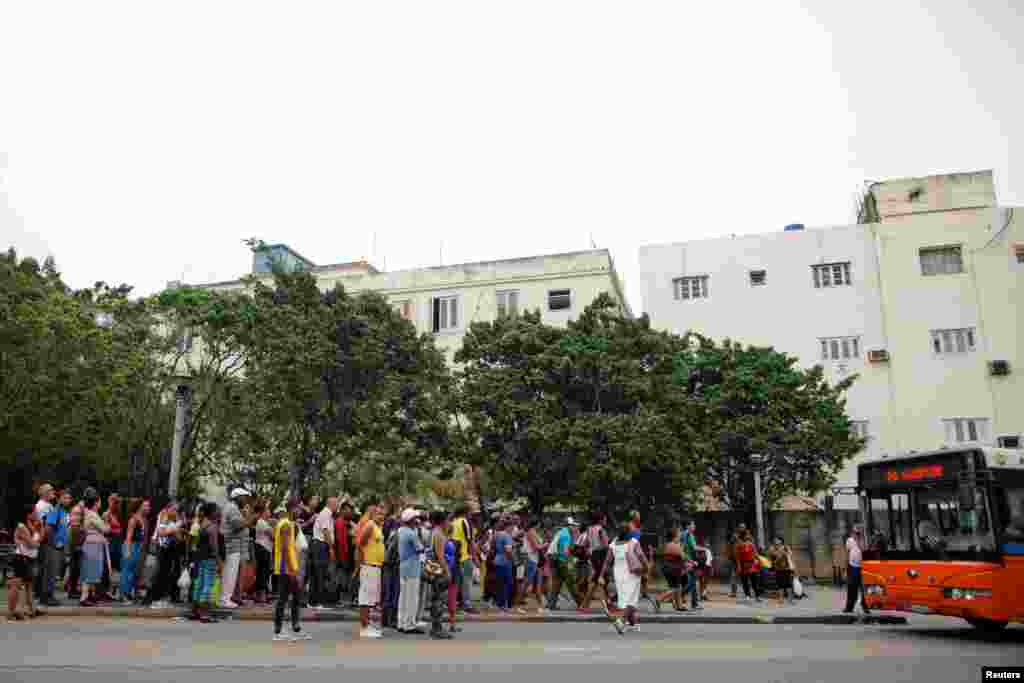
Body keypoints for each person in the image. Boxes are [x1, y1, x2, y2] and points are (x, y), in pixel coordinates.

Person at [602, 516, 649, 634]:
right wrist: (647, 568)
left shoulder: (613, 544)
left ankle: (632, 624)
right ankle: (621, 620)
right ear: (629, 532)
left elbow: (607, 561)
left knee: (625, 599)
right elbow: (642, 557)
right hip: (632, 573)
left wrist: (601, 575)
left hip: (618, 574)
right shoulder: (634, 543)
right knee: (631, 601)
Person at [273, 499, 310, 641]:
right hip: (286, 567)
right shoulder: (286, 525)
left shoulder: (288, 524)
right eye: (298, 509)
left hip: (289, 566)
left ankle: (295, 628)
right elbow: (284, 549)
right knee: (283, 598)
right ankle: (278, 631)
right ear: (292, 509)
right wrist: (292, 569)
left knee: (295, 597)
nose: (300, 511)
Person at [221, 488, 257, 609]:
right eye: (245, 497)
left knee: (230, 573)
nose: (246, 500)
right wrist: (249, 518)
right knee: (230, 573)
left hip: (233, 545)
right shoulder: (232, 508)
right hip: (232, 545)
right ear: (238, 497)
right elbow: (238, 525)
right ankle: (225, 599)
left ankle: (226, 598)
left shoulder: (233, 507)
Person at [142, 503, 183, 608]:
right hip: (162, 548)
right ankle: (151, 598)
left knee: (165, 574)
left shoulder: (175, 520)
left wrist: (176, 529)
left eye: (176, 511)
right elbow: (161, 532)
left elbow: (179, 537)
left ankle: (158, 598)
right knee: (159, 573)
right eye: (173, 510)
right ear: (168, 509)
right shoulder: (164, 516)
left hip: (170, 549)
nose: (175, 512)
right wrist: (174, 528)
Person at [7, 505, 43, 621]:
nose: (37, 514)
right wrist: (36, 542)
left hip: (30, 558)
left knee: (29, 586)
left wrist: (40, 527)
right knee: (16, 585)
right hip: (21, 558)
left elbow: (39, 539)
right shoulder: (22, 526)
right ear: (29, 514)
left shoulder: (32, 526)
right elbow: (31, 544)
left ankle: (31, 610)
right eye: (35, 512)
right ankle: (11, 612)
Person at [190, 502, 222, 623]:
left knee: (199, 584)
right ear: (212, 512)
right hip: (209, 559)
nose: (219, 512)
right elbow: (214, 547)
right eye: (217, 510)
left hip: (201, 558)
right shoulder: (212, 527)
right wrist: (219, 562)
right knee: (208, 585)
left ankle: (195, 611)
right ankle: (205, 614)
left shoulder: (203, 524)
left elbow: (197, 544)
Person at [357, 504, 386, 639]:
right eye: (379, 514)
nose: (381, 517)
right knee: (365, 598)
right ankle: (364, 627)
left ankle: (367, 625)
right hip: (369, 566)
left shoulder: (377, 527)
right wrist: (362, 563)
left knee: (371, 599)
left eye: (383, 515)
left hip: (376, 566)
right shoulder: (369, 526)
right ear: (373, 514)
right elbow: (360, 543)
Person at [79, 490, 109, 607]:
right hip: (93, 544)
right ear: (96, 502)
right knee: (90, 570)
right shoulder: (92, 514)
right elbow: (105, 529)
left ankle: (89, 595)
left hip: (93, 544)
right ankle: (84, 596)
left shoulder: (89, 513)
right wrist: (107, 524)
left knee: (92, 570)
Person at [397, 508, 425, 633]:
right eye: (415, 518)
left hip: (403, 567)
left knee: (403, 597)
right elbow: (420, 548)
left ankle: (401, 623)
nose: (417, 520)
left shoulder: (401, 531)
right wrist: (418, 530)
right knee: (412, 598)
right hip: (412, 568)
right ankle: (410, 625)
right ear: (411, 520)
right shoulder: (411, 534)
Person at [43, 490, 71, 605]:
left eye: (69, 498)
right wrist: (53, 543)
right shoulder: (56, 511)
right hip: (53, 547)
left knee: (54, 573)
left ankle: (50, 595)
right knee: (50, 571)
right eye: (65, 498)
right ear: (59, 499)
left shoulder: (64, 512)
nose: (68, 500)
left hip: (60, 547)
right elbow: (49, 528)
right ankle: (46, 596)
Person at [309, 496, 338, 609]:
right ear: (330, 504)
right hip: (321, 545)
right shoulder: (326, 514)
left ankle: (313, 601)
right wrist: (331, 548)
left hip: (319, 545)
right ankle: (318, 602)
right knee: (320, 574)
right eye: (336, 504)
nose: (337, 507)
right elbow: (326, 531)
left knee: (317, 574)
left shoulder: (326, 514)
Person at [120, 499, 151, 603]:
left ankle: (131, 593)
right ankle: (124, 595)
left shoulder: (145, 520)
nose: (148, 508)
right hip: (131, 545)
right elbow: (128, 536)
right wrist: (128, 551)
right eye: (146, 506)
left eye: (148, 506)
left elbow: (144, 537)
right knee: (127, 571)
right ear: (140, 507)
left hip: (139, 547)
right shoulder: (133, 519)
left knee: (133, 572)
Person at [449, 506, 478, 613]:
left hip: (455, 557)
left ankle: (456, 603)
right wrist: (475, 558)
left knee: (457, 582)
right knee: (467, 582)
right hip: (464, 556)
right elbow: (470, 541)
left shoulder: (453, 522)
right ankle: (467, 604)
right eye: (470, 512)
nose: (471, 515)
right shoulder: (465, 522)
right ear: (465, 513)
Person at [651, 525, 686, 612]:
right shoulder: (674, 545)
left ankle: (679, 605)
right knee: (676, 588)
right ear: (674, 537)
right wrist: (682, 547)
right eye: (678, 535)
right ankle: (659, 598)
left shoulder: (667, 545)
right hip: (674, 569)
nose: (679, 537)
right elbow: (683, 556)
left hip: (667, 569)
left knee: (676, 586)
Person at [546, 518, 579, 610]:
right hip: (561, 560)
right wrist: (570, 563)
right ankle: (581, 603)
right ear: (570, 526)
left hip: (554, 559)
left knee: (557, 583)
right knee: (571, 582)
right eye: (574, 526)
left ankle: (551, 604)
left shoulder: (561, 532)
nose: (576, 528)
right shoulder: (566, 535)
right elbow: (565, 552)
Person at [581, 512, 611, 611]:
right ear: (600, 520)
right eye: (605, 519)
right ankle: (607, 604)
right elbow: (606, 545)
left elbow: (586, 543)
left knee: (596, 580)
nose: (606, 521)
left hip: (593, 556)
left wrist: (590, 550)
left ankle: (585, 605)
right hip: (601, 555)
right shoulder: (601, 530)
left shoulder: (589, 529)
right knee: (602, 579)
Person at [32, 483, 56, 605]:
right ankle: (44, 596)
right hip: (45, 541)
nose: (54, 492)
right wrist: (49, 539)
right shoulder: (43, 506)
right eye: (51, 490)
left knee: (43, 568)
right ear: (45, 493)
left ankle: (40, 594)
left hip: (45, 540)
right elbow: (45, 525)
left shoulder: (46, 505)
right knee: (46, 568)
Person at [843, 525, 870, 615]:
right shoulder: (849, 540)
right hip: (852, 566)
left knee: (864, 588)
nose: (857, 534)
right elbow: (847, 554)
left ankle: (865, 605)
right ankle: (849, 607)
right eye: (855, 533)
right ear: (852, 532)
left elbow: (864, 550)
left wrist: (859, 541)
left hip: (862, 567)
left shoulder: (863, 540)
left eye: (858, 533)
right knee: (851, 588)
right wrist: (846, 569)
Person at [522, 518, 547, 613]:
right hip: (531, 560)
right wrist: (546, 545)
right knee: (527, 583)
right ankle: (518, 605)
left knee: (538, 584)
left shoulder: (533, 532)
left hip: (536, 560)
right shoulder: (530, 532)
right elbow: (536, 547)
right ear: (537, 524)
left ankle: (540, 606)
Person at [334, 498, 355, 606]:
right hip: (342, 555)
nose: (350, 512)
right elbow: (340, 541)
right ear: (342, 510)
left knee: (343, 577)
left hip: (345, 555)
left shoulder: (346, 523)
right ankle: (338, 599)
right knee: (341, 578)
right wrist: (343, 557)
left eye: (350, 510)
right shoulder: (340, 522)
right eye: (347, 510)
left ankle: (341, 599)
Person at [492, 518, 515, 611]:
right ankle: (505, 605)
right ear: (508, 526)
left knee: (499, 583)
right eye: (512, 527)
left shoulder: (497, 534)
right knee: (507, 583)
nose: (513, 529)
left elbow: (493, 546)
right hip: (505, 562)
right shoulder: (507, 536)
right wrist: (513, 560)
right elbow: (508, 551)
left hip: (497, 560)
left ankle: (498, 603)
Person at [734, 528, 761, 603]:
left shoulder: (751, 544)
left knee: (754, 581)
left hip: (752, 564)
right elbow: (737, 557)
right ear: (743, 536)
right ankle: (747, 596)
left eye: (749, 535)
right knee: (745, 581)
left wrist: (757, 560)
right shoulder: (738, 545)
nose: (748, 536)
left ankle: (757, 596)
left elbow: (755, 553)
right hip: (743, 564)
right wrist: (739, 566)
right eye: (747, 535)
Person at [254, 503, 274, 605]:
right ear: (263, 513)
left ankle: (259, 595)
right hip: (263, 548)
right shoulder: (262, 523)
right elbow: (273, 536)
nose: (269, 512)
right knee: (263, 573)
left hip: (262, 548)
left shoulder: (263, 522)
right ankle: (261, 596)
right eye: (268, 510)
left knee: (262, 572)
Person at [681, 521, 703, 610]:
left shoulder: (683, 534)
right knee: (692, 582)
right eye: (693, 524)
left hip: (686, 560)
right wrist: (705, 549)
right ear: (688, 526)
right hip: (688, 561)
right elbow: (694, 547)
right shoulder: (688, 535)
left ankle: (694, 603)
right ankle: (678, 595)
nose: (694, 526)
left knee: (693, 582)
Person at [767, 537, 795, 605]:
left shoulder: (786, 547)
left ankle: (790, 599)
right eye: (775, 540)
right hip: (778, 569)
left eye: (777, 540)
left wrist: (785, 553)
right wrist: (774, 553)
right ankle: (781, 599)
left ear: (781, 541)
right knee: (780, 585)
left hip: (786, 568)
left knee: (788, 584)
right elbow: (770, 557)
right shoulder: (772, 548)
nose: (776, 541)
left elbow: (790, 555)